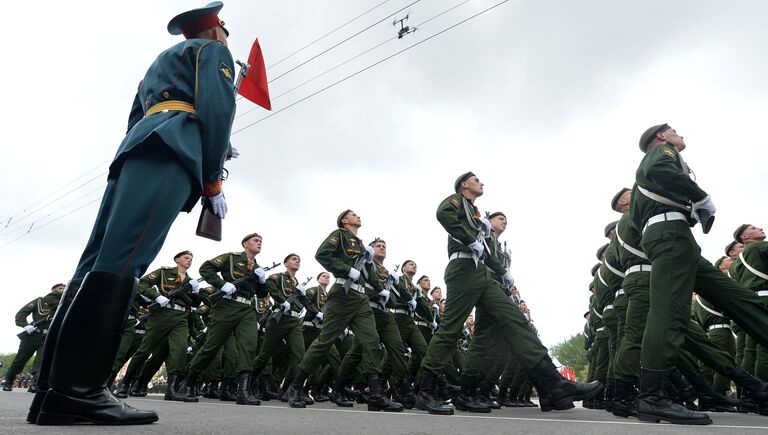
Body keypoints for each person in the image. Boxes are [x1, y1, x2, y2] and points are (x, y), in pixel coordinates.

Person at [27, 2, 235, 426]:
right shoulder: (213, 53)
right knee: (125, 262)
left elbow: (134, 118)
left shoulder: (160, 63)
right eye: (226, 33)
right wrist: (212, 174)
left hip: (137, 152)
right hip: (173, 151)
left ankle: (53, 391)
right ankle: (79, 392)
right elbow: (217, 110)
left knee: (95, 263)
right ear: (217, 31)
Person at [415, 172, 601, 415]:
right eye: (476, 180)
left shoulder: (475, 213)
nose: (481, 183)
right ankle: (424, 389)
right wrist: (471, 239)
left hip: (482, 273)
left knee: (516, 322)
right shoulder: (456, 202)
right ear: (464, 185)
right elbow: (443, 215)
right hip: (463, 269)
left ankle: (554, 384)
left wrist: (502, 271)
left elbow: (485, 250)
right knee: (451, 328)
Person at [631, 124, 768, 424]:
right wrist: (700, 197)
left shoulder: (656, 170)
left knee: (739, 299)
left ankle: (759, 388)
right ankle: (651, 397)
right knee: (670, 313)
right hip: (669, 237)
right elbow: (663, 171)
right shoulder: (661, 152)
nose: (681, 135)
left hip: (678, 238)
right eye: (675, 130)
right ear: (661, 136)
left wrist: (688, 210)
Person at [285, 210, 392, 412]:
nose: (358, 216)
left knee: (371, 342)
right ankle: (296, 386)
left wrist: (380, 288)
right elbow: (322, 254)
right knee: (325, 341)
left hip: (361, 299)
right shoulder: (339, 235)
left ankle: (376, 394)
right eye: (353, 214)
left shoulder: (361, 245)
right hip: (343, 295)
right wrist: (344, 268)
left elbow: (367, 272)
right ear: (344, 221)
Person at [178, 233, 268, 405]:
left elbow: (262, 294)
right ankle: (188, 384)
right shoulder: (230, 258)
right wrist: (222, 284)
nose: (259, 243)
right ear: (245, 244)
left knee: (248, 346)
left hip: (247, 309)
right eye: (256, 241)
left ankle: (243, 391)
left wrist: (262, 280)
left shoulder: (257, 268)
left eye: (261, 241)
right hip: (227, 306)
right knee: (211, 347)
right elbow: (206, 268)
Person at [120, 251, 200, 401]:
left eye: (191, 258)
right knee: (145, 349)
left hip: (181, 317)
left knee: (179, 350)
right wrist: (156, 296)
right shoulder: (163, 272)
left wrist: (195, 292)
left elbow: (195, 303)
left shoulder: (191, 281)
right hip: (162, 315)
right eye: (186, 258)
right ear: (177, 259)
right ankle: (125, 383)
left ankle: (172, 389)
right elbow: (142, 283)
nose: (189, 260)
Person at [3, 284, 64, 392]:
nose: (62, 290)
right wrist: (26, 326)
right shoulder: (40, 301)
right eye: (60, 288)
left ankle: (35, 384)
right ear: (53, 290)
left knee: (41, 361)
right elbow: (21, 314)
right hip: (33, 335)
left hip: (49, 336)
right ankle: (9, 381)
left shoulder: (64, 304)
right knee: (20, 360)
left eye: (64, 288)